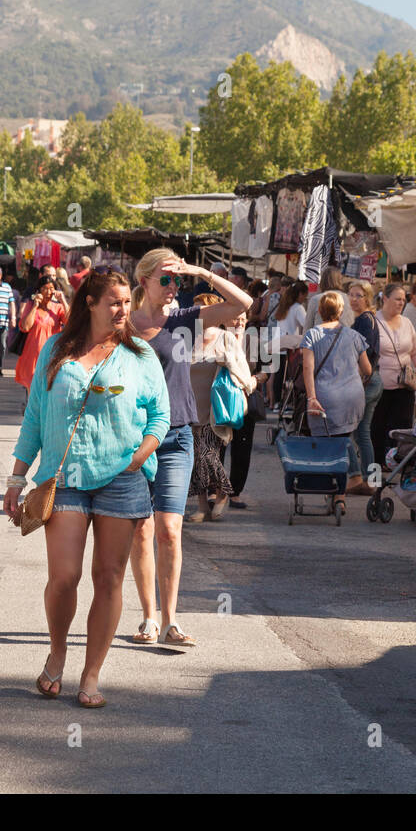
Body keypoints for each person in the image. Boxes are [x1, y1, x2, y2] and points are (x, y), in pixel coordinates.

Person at [5, 269, 169, 708]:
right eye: (113, 302)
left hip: (124, 478)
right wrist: (17, 479)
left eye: (126, 303)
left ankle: (91, 674)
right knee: (64, 577)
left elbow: (160, 416)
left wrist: (142, 452)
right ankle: (57, 652)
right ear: (90, 303)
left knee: (109, 577)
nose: (122, 310)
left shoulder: (140, 355)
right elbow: (35, 418)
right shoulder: (57, 350)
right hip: (66, 477)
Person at [127, 249, 251, 649]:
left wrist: (201, 272)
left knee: (170, 529)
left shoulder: (183, 320)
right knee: (142, 529)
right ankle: (147, 617)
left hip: (178, 434)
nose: (173, 287)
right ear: (143, 280)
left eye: (177, 281)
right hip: (133, 438)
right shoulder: (124, 323)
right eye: (165, 279)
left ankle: (169, 621)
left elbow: (242, 304)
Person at [186, 296, 257, 522]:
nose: (199, 315)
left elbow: (243, 373)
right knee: (196, 459)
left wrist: (225, 360)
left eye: (204, 310)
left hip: (215, 408)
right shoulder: (187, 338)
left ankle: (223, 491)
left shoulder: (226, 338)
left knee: (208, 455)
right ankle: (201, 505)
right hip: (189, 406)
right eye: (197, 310)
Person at [301, 291, 373, 510]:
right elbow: (368, 369)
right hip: (352, 398)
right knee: (343, 444)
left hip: (324, 398)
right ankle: (340, 496)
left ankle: (329, 490)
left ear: (320, 311)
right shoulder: (353, 336)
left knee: (325, 447)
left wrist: (311, 396)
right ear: (341, 311)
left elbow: (307, 367)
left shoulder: (312, 335)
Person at [371, 283, 416, 467]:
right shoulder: (373, 322)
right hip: (380, 386)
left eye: (403, 300)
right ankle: (378, 464)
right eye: (397, 299)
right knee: (378, 426)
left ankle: (399, 462)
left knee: (403, 425)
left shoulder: (406, 322)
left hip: (405, 386)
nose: (401, 303)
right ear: (385, 299)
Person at [219, 310, 266, 509]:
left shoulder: (253, 341)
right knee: (218, 445)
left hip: (246, 399)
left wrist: (255, 380)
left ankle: (235, 492)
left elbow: (266, 370)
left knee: (242, 446)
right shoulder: (217, 339)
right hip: (221, 400)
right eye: (235, 317)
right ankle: (216, 490)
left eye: (242, 318)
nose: (239, 322)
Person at [346, 280, 381, 495]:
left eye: (358, 295)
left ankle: (355, 477)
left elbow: (364, 355)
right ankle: (373, 482)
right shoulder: (366, 319)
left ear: (367, 298)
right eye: (351, 294)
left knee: (346, 431)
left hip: (365, 381)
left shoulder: (365, 321)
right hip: (372, 381)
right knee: (362, 434)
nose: (353, 299)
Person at [16, 278, 68, 394]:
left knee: (49, 389)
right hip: (33, 356)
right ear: (38, 291)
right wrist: (35, 306)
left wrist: (63, 301)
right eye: (44, 288)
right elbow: (25, 327)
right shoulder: (31, 305)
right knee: (33, 390)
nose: (48, 292)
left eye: (51, 289)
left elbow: (71, 322)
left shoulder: (57, 308)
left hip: (51, 355)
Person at [270, 282, 308, 408]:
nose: (305, 298)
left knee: (278, 374)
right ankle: (286, 402)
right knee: (289, 376)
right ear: (300, 294)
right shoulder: (298, 308)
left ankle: (276, 403)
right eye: (305, 295)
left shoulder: (284, 306)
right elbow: (306, 324)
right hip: (291, 345)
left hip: (278, 342)